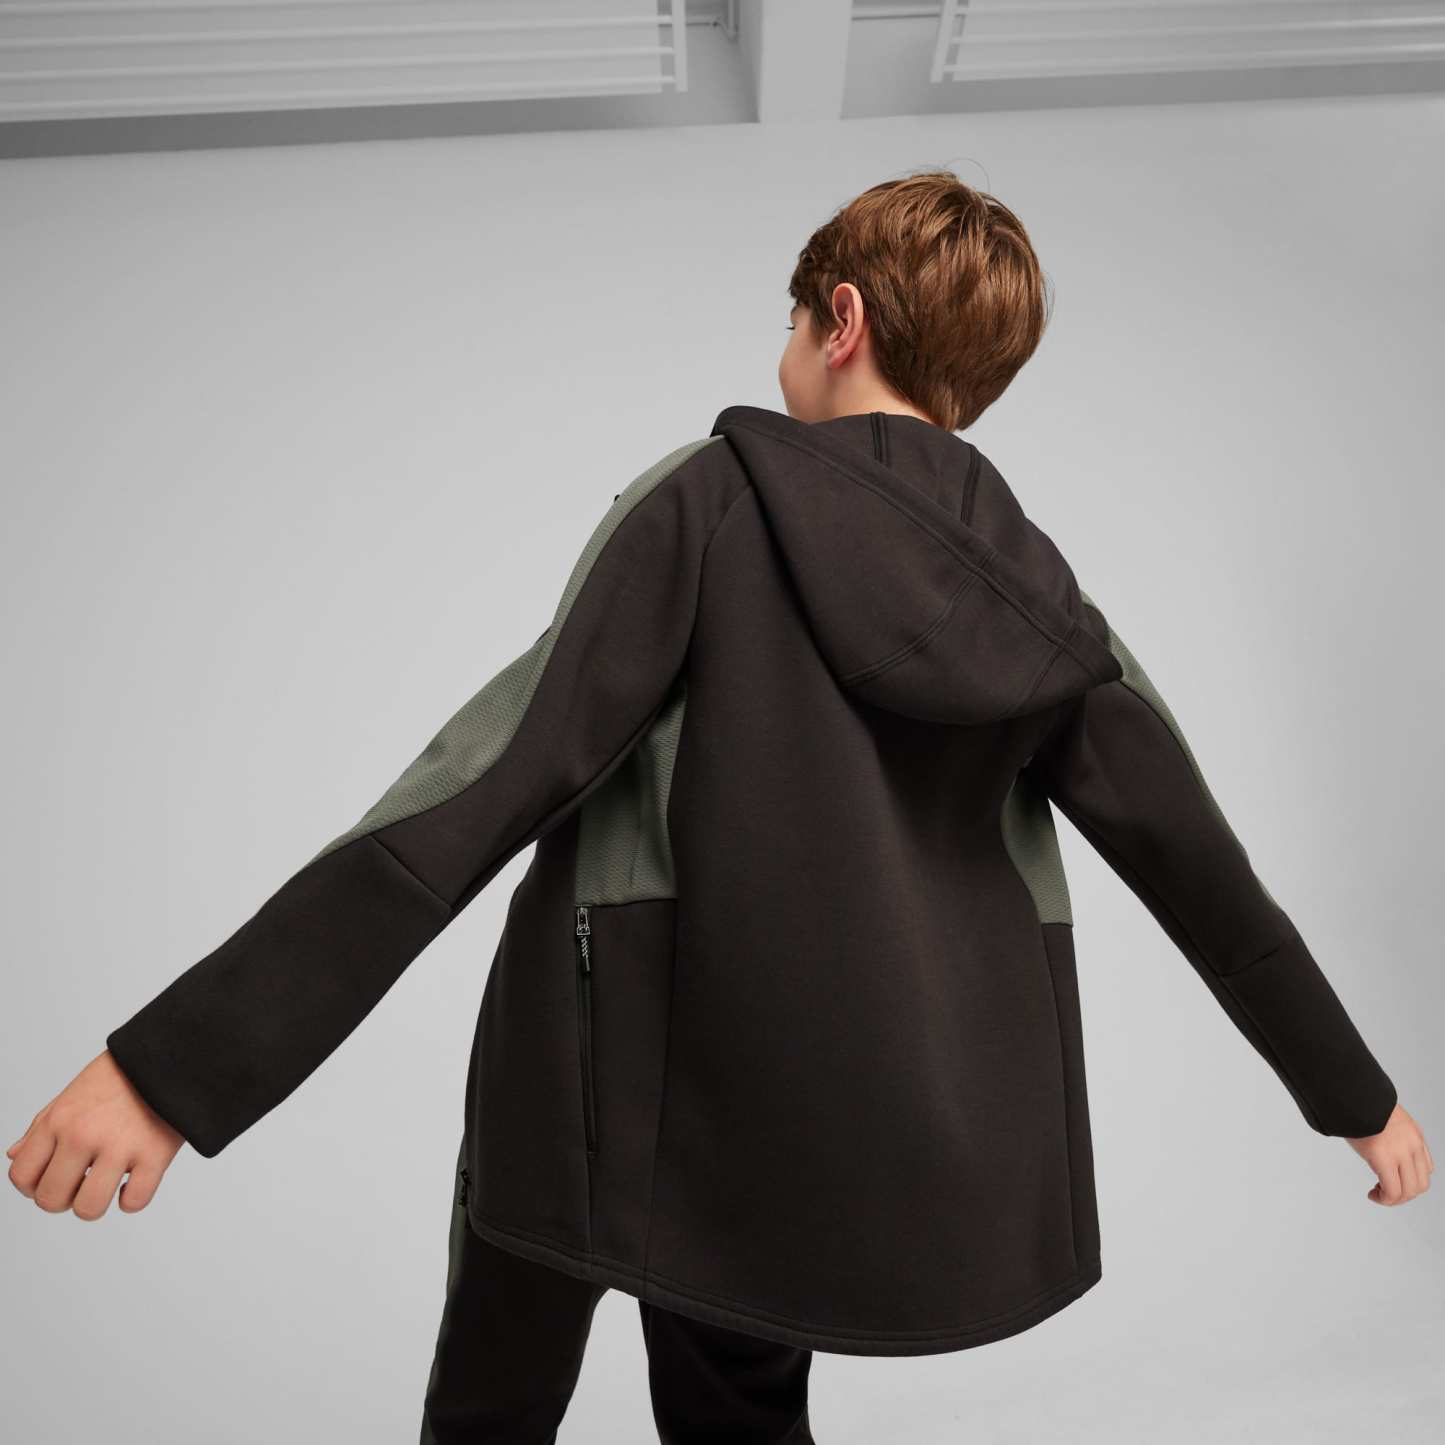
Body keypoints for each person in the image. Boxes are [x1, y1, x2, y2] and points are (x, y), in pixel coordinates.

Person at [8, 170, 1431, 1442]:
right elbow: (1197, 863)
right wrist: (1352, 1093)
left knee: (494, 1400)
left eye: (792, 320)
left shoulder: (711, 500)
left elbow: (484, 779)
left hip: (592, 1077)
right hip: (809, 1120)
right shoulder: (1043, 596)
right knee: (739, 1415)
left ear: (841, 319)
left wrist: (177, 1068)